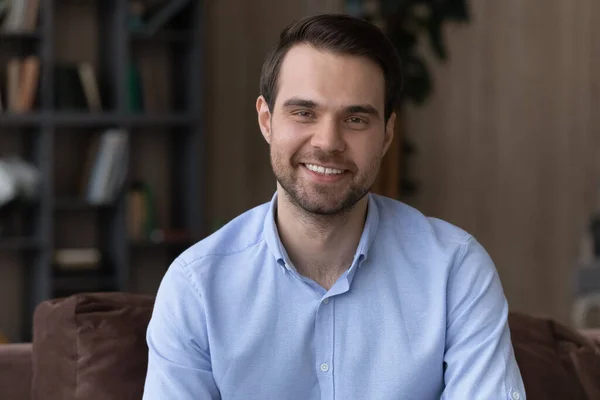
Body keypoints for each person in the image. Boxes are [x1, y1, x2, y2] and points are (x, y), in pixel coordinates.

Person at [142, 13, 526, 400]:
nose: (328, 142)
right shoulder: (196, 286)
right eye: (304, 112)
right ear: (266, 120)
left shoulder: (455, 270)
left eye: (356, 118)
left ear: (387, 134)